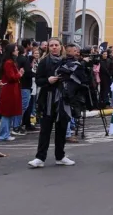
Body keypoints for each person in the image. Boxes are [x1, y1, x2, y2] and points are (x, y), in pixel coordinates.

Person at [28, 38, 79, 168]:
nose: (54, 47)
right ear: (48, 48)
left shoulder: (66, 61)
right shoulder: (44, 62)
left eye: (56, 45)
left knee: (62, 129)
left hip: (63, 99)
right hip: (47, 99)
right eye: (51, 45)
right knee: (45, 129)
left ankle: (60, 156)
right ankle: (40, 158)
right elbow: (38, 80)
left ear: (60, 47)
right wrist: (48, 80)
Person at [0, 43, 24, 141]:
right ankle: (4, 134)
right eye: (16, 49)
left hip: (12, 89)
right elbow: (12, 77)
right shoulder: (9, 63)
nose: (17, 51)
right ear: (12, 51)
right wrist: (19, 74)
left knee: (9, 112)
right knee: (7, 112)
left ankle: (6, 133)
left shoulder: (10, 62)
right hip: (9, 89)